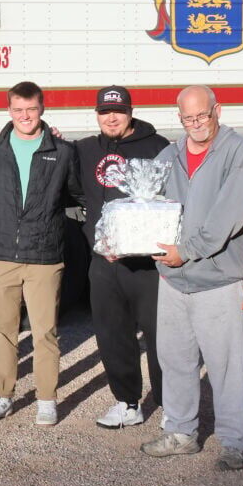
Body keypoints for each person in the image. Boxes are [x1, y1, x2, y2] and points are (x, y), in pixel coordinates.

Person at [141, 85, 243, 471]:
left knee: (225, 365)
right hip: (173, 280)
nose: (195, 125)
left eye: (201, 116)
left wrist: (186, 251)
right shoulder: (169, 154)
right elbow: (145, 202)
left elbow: (229, 217)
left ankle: (232, 440)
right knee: (174, 360)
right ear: (179, 119)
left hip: (216, 279)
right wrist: (124, 236)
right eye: (187, 118)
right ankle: (180, 432)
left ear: (217, 111)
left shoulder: (237, 152)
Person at [0, 81, 81, 426]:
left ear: (42, 109)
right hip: (1, 254)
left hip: (45, 256)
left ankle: (47, 399)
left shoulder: (62, 152)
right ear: (9, 111)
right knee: (2, 330)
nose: (25, 116)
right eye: (18, 110)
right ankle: (1, 395)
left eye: (31, 110)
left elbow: (76, 194)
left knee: (45, 332)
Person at [74, 86, 170, 429]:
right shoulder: (83, 150)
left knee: (161, 337)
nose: (111, 117)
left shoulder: (158, 148)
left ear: (131, 111)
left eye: (117, 111)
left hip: (148, 265)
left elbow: (173, 200)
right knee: (112, 334)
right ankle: (128, 402)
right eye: (104, 112)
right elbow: (71, 190)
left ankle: (170, 405)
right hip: (105, 263)